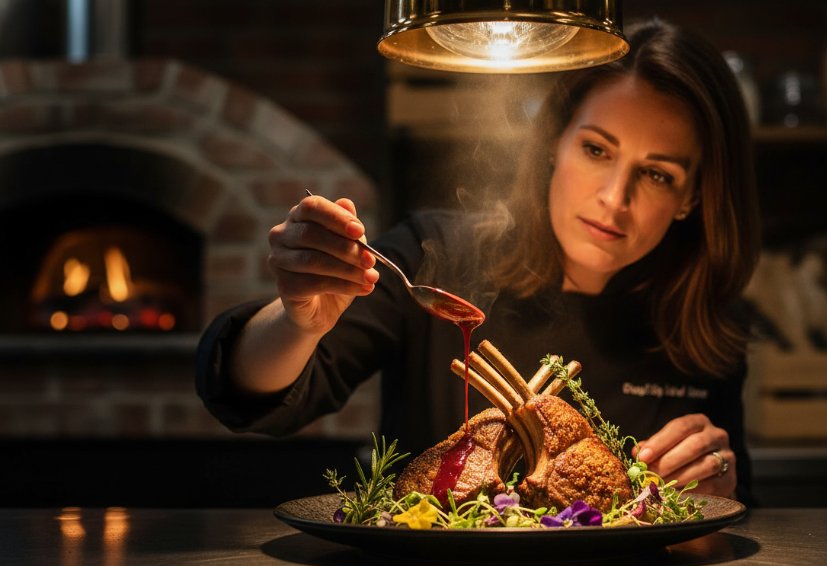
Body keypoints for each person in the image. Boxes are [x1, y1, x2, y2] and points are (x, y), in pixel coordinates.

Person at [196, 17, 760, 504]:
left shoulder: (704, 324)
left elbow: (732, 505)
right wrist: (297, 321)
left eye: (659, 174)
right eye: (596, 149)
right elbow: (256, 396)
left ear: (692, 197)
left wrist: (717, 481)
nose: (616, 197)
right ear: (553, 145)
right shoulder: (430, 257)